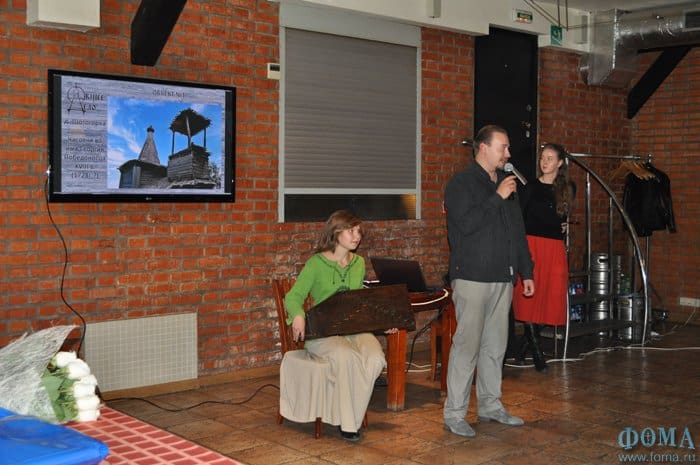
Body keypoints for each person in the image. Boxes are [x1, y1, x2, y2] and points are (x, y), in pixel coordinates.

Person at [443, 125, 535, 438]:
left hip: (502, 277)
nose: (508, 154)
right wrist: (497, 197)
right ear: (483, 147)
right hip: (472, 277)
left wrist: (526, 271)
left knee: (495, 346)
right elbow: (466, 225)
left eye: (507, 148)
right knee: (466, 347)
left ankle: (490, 405)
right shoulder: (461, 183)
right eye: (502, 147)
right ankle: (455, 414)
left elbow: (517, 232)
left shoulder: (506, 184)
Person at [284, 210, 387, 442]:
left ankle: (351, 415)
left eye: (358, 231)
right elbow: (293, 297)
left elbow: (359, 303)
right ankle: (349, 424)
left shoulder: (358, 263)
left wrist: (382, 322)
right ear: (335, 232)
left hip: (353, 329)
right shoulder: (316, 263)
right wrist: (298, 315)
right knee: (346, 356)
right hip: (323, 333)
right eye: (351, 231)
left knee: (375, 358)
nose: (357, 236)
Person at [512, 143, 574, 372]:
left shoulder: (568, 188)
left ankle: (523, 348)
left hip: (555, 247)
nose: (544, 162)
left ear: (560, 163)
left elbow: (562, 218)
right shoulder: (530, 188)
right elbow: (519, 220)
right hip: (532, 245)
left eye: (550, 158)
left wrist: (563, 226)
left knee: (551, 295)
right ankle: (537, 353)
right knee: (528, 299)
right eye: (542, 158)